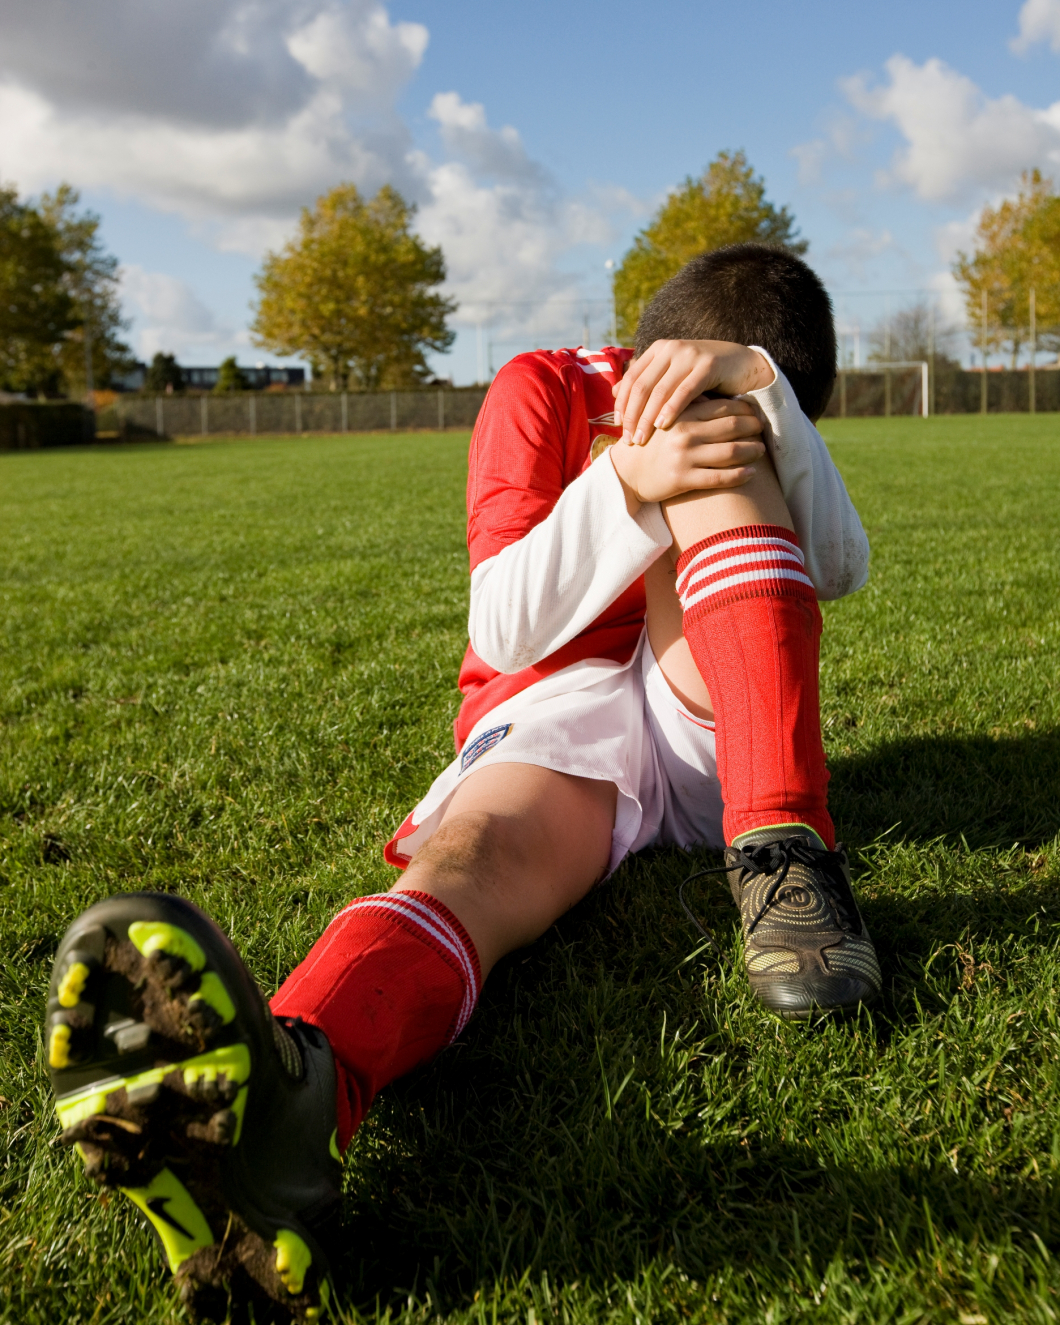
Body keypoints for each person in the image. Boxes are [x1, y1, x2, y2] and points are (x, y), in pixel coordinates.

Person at [43, 243, 880, 1321]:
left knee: (719, 444)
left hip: (716, 719)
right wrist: (627, 480)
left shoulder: (755, 386)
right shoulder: (542, 385)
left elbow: (841, 566)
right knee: (472, 863)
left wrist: (758, 392)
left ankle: (785, 847)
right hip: (557, 708)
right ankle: (290, 1102)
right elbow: (506, 625)